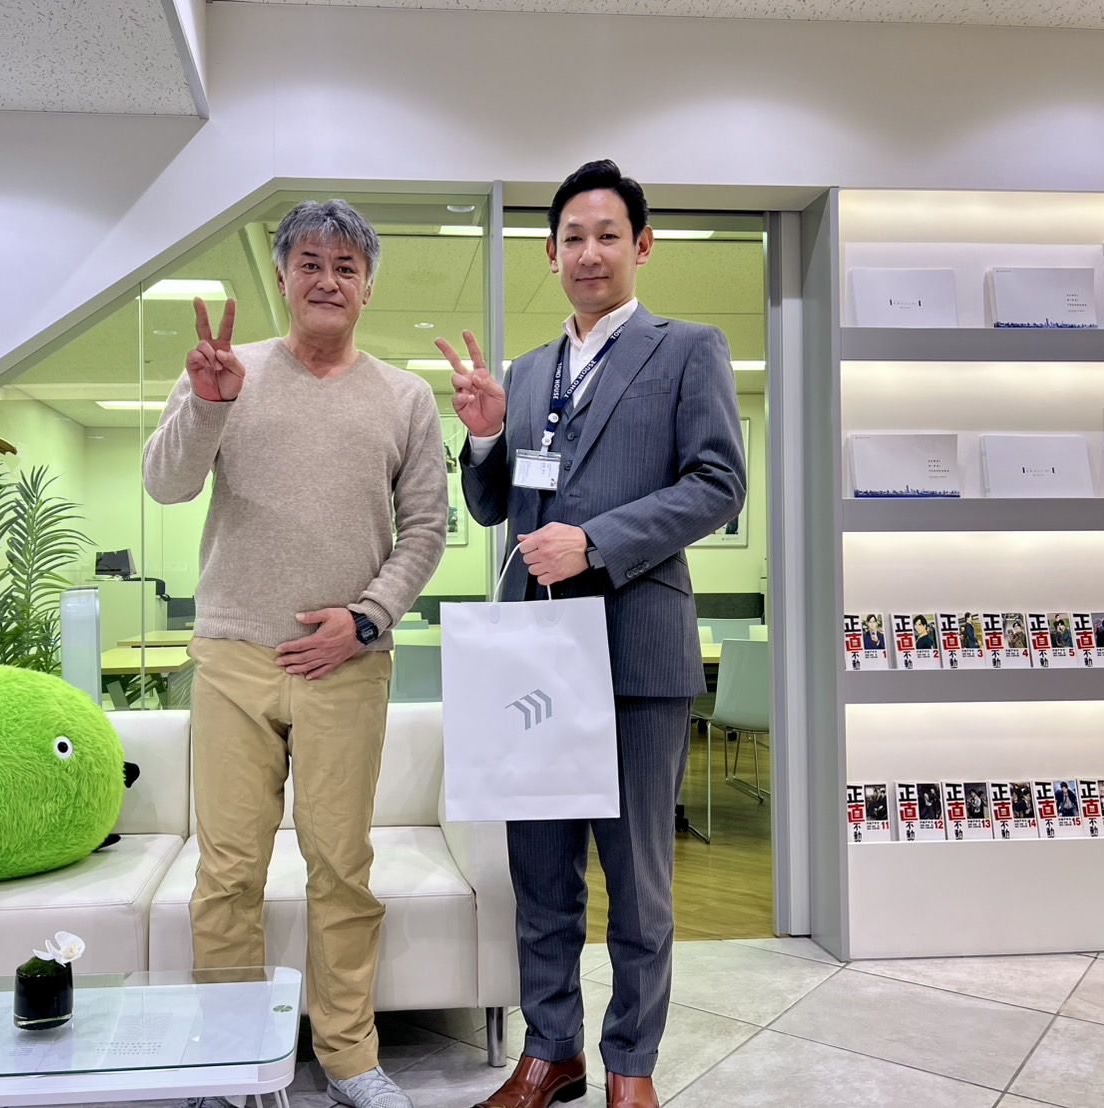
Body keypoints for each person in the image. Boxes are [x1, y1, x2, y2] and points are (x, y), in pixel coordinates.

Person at [441, 160, 745, 1108]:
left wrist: (597, 542)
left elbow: (718, 484)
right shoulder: (528, 372)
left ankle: (631, 1063)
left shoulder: (686, 350)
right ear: (550, 253)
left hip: (637, 655)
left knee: (638, 882)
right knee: (540, 874)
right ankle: (551, 1051)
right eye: (572, 237)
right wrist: (484, 438)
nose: (589, 252)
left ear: (640, 245)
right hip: (537, 659)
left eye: (607, 235)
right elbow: (494, 505)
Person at [142, 200, 447, 1108]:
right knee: (227, 873)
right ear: (281, 277)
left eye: (346, 266)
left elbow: (425, 530)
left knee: (341, 870)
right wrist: (206, 405)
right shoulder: (227, 373)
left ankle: (349, 1057)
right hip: (233, 658)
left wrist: (367, 619)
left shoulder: (405, 397)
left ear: (367, 286)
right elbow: (166, 484)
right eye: (309, 262)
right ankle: (230, 1059)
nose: (327, 279)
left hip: (346, 664)